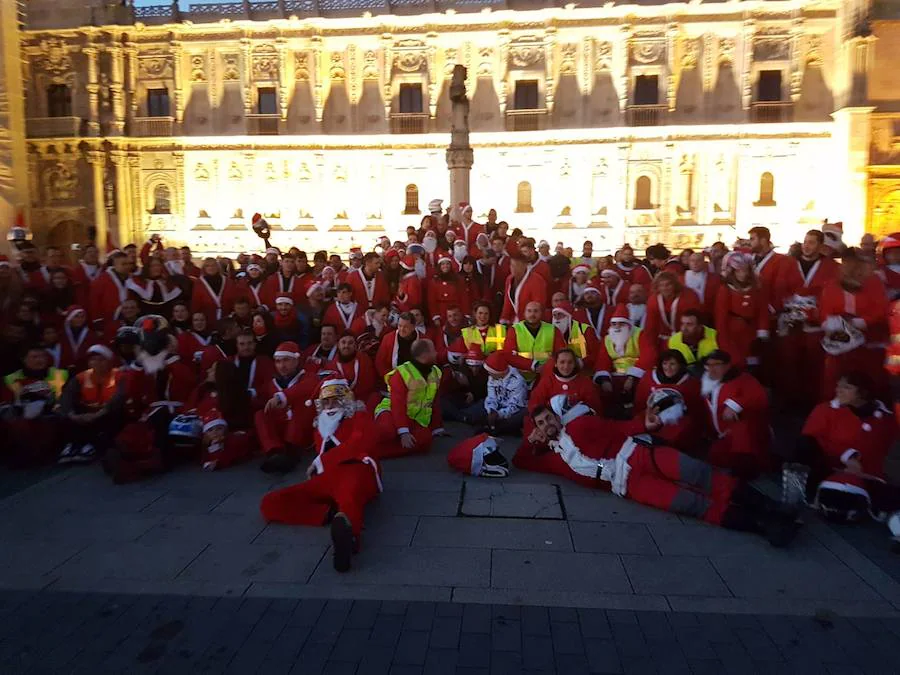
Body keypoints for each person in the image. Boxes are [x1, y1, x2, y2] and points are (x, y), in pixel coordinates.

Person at [518, 401, 797, 546]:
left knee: (698, 473)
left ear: (556, 417)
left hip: (638, 454)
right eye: (541, 423)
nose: (547, 424)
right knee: (689, 503)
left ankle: (772, 506)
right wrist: (530, 443)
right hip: (628, 485)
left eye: (549, 418)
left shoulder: (580, 424)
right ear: (539, 429)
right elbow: (519, 460)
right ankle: (762, 526)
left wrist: (645, 424)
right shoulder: (552, 459)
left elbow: (616, 427)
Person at [260, 379, 380, 573]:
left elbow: (358, 444)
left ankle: (348, 536)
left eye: (335, 400)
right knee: (270, 503)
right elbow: (308, 387)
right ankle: (328, 514)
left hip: (355, 469)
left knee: (349, 500)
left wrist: (319, 462)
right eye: (326, 402)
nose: (330, 406)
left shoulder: (360, 417)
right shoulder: (319, 424)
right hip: (326, 478)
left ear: (346, 400)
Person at [792, 372, 899, 517]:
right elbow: (811, 438)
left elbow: (883, 450)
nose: (838, 390)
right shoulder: (826, 410)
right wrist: (847, 455)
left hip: (865, 474)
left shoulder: (884, 420)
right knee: (804, 445)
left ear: (863, 392)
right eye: (838, 385)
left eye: (847, 387)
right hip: (828, 468)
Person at [776, 229, 841, 408]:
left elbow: (832, 292)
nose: (806, 245)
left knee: (814, 361)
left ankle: (812, 401)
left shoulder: (831, 266)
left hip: (815, 321)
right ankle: (789, 400)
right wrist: (789, 305)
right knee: (789, 360)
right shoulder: (788, 263)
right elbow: (780, 287)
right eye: (805, 241)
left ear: (820, 246)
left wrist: (815, 309)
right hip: (791, 319)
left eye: (812, 242)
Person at [820, 248, 889, 399]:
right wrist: (832, 323)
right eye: (845, 262)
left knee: (867, 378)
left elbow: (882, 310)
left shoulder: (874, 282)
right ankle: (835, 407)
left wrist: (861, 322)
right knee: (835, 376)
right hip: (840, 344)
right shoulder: (832, 284)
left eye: (851, 262)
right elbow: (825, 310)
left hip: (869, 342)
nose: (847, 266)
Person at [701, 350, 772, 477]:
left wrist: (735, 405)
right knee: (715, 456)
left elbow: (760, 397)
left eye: (716, 364)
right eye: (708, 365)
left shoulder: (743, 379)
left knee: (743, 460)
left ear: (728, 365)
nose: (712, 369)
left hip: (747, 435)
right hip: (723, 435)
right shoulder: (706, 383)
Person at [373, 338, 447, 459]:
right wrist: (404, 432)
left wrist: (437, 427)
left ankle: (381, 451)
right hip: (390, 412)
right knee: (387, 431)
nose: (436, 353)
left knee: (425, 440)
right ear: (425, 355)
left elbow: (434, 401)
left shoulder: (436, 372)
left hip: (414, 419)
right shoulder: (401, 373)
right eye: (433, 350)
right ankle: (372, 451)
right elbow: (397, 404)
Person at [57, 345, 125, 464]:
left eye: (101, 359)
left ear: (109, 361)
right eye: (93, 359)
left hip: (107, 413)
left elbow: (120, 397)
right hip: (85, 413)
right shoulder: (81, 377)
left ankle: (90, 446)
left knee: (117, 416)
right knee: (65, 413)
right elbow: (67, 395)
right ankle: (73, 445)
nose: (97, 363)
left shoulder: (119, 375)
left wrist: (99, 413)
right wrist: (72, 414)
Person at [0, 346, 68, 466]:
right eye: (34, 357)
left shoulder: (61, 374)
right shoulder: (10, 379)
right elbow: (6, 404)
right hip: (20, 417)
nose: (40, 360)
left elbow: (66, 398)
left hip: (52, 415)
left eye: (43, 356)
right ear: (24, 359)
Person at [255, 341, 316, 473]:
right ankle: (274, 452)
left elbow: (307, 387)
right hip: (282, 428)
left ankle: (291, 453)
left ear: (296, 360)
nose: (281, 366)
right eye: (278, 361)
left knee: (300, 409)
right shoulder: (272, 383)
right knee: (260, 415)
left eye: (286, 360)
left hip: (301, 433)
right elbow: (259, 396)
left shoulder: (308, 377)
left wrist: (281, 397)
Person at [633, 349, 704, 447]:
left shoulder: (691, 382)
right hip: (651, 415)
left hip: (676, 421)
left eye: (672, 364)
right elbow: (639, 402)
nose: (668, 367)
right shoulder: (649, 377)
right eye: (665, 363)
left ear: (680, 365)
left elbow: (697, 409)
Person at [714, 253, 768, 368]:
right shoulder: (726, 289)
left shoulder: (756, 288)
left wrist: (762, 332)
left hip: (751, 332)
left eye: (745, 270)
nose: (743, 274)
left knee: (753, 364)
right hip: (732, 334)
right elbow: (721, 318)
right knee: (735, 363)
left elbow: (762, 312)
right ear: (733, 271)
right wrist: (724, 341)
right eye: (739, 270)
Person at [595, 306, 653, 399]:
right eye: (614, 324)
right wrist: (604, 380)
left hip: (637, 377)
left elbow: (648, 356)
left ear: (628, 325)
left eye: (621, 323)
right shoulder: (608, 339)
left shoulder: (640, 334)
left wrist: (632, 377)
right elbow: (602, 361)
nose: (617, 327)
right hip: (615, 376)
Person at [504, 301, 565, 384]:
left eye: (536, 311)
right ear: (524, 313)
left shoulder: (553, 330)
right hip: (520, 376)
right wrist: (533, 366)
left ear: (541, 313)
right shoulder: (514, 330)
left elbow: (561, 354)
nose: (532, 314)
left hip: (546, 375)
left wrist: (548, 367)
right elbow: (509, 355)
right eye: (529, 311)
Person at [476, 351, 529, 435]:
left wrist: (499, 414)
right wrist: (491, 410)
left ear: (498, 372)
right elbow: (491, 397)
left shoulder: (518, 381)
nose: (488, 373)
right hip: (498, 408)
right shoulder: (492, 378)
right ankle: (493, 426)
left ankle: (494, 428)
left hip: (514, 410)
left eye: (490, 371)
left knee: (518, 418)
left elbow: (516, 406)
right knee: (478, 410)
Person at [644, 271, 700, 346]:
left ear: (675, 285)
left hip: (686, 338)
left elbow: (695, 323)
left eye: (668, 284)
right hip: (664, 339)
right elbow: (650, 328)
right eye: (661, 285)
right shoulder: (653, 301)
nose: (665, 288)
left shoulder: (689, 297)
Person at [326, 333, 378, 408]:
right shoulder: (331, 365)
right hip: (339, 402)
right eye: (343, 342)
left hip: (363, 400)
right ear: (338, 345)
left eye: (350, 343)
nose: (346, 346)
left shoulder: (364, 360)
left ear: (355, 346)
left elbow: (369, 384)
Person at [89, 251, 132, 331]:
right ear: (114, 265)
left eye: (128, 264)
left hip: (126, 322)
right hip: (108, 324)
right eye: (123, 264)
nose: (127, 267)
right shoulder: (101, 281)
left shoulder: (129, 278)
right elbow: (94, 304)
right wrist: (98, 324)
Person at [667, 309, 718, 376]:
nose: (684, 328)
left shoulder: (716, 336)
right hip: (686, 377)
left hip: (713, 373)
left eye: (689, 324)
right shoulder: (674, 341)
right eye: (682, 324)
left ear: (700, 326)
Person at [500, 256, 547, 325]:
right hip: (514, 322)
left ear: (525, 265)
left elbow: (538, 305)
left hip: (531, 323)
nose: (513, 268)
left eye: (517, 265)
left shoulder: (536, 280)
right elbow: (507, 302)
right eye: (512, 265)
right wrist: (504, 319)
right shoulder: (509, 279)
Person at [191, 257, 238, 324]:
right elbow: (196, 302)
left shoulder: (228, 281)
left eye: (213, 265)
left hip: (226, 316)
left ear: (218, 266)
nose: (211, 268)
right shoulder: (199, 283)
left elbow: (234, 299)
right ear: (204, 268)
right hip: (206, 318)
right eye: (208, 266)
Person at [375, 311, 419, 380]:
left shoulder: (423, 339)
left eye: (405, 327)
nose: (401, 329)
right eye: (400, 326)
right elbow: (380, 363)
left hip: (417, 378)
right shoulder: (388, 338)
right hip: (393, 378)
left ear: (413, 327)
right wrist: (392, 378)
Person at [684, 251, 720, 320]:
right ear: (689, 262)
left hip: (707, 315)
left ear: (704, 262)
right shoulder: (681, 278)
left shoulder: (714, 279)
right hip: (687, 315)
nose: (695, 263)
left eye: (698, 260)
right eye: (692, 261)